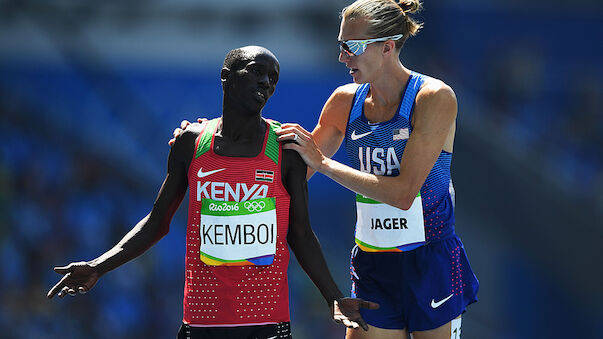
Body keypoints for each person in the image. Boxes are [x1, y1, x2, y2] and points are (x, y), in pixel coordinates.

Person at [171, 1, 479, 338]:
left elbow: (404, 194)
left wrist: (325, 163)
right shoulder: (345, 101)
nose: (342, 57)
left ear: (388, 47)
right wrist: (209, 139)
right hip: (373, 263)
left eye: (353, 47)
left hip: (429, 262)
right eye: (340, 45)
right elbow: (288, 173)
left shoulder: (433, 97)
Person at [47, 46, 379, 339]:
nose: (266, 83)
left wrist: (334, 296)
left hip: (266, 322)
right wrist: (98, 266)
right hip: (202, 322)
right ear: (226, 77)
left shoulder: (286, 148)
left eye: (273, 78)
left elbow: (301, 233)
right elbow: (157, 222)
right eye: (256, 72)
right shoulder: (191, 142)